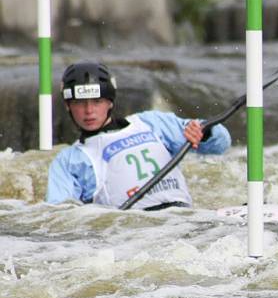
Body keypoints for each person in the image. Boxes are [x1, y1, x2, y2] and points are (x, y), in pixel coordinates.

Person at [46, 60, 231, 210]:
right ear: (68, 106)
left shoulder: (152, 123)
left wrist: (205, 133)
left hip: (183, 218)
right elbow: (59, 215)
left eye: (97, 101)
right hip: (137, 230)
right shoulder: (69, 161)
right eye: (80, 103)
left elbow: (222, 143)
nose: (89, 111)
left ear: (110, 102)